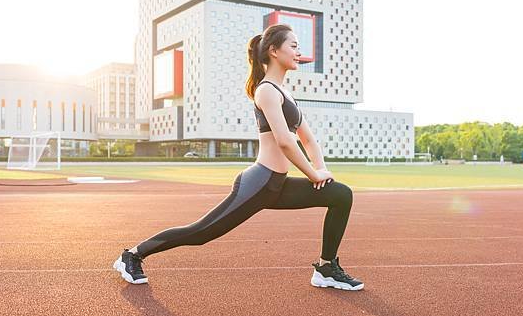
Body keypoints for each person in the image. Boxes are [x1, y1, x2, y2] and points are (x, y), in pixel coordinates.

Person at [113, 24, 364, 291]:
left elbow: (308, 139)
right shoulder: (266, 91)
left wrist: (322, 170)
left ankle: (326, 268)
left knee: (340, 195)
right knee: (201, 233)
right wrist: (313, 175)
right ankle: (133, 254)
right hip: (259, 183)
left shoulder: (287, 94)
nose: (298, 51)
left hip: (277, 185)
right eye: (293, 45)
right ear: (274, 51)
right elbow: (285, 142)